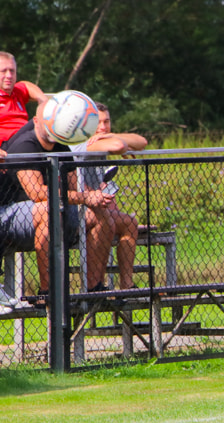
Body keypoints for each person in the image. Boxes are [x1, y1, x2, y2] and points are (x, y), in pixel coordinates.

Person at [1, 103, 114, 302]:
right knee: (47, 209)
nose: (54, 126)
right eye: (49, 122)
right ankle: (48, 292)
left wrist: (93, 196)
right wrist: (84, 197)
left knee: (99, 214)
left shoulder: (62, 146)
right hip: (13, 214)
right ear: (36, 121)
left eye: (57, 121)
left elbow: (74, 189)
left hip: (56, 211)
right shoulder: (25, 145)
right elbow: (37, 193)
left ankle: (94, 289)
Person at [71, 102, 146, 291]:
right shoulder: (80, 141)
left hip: (100, 208)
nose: (103, 127)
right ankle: (94, 286)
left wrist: (112, 137)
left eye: (107, 122)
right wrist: (118, 144)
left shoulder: (104, 141)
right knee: (105, 221)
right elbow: (118, 145)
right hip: (78, 210)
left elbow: (142, 142)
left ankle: (126, 285)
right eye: (98, 123)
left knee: (130, 223)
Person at [0, 51, 45, 147]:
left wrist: (43, 101)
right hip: (6, 147)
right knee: (40, 123)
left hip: (25, 141)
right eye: (3, 71)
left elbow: (26, 85)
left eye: (12, 71)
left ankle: (75, 161)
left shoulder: (16, 91)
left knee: (55, 133)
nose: (9, 75)